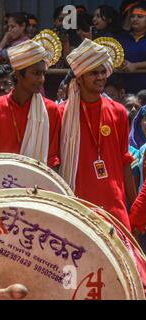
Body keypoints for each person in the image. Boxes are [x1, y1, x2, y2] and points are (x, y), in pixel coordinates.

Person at [60, 37, 136, 230]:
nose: (101, 77)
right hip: (78, 206)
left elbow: (125, 160)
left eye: (103, 72)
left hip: (115, 207)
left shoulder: (118, 111)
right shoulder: (62, 114)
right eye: (94, 73)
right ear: (80, 77)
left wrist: (133, 208)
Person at [0, 29, 62, 168]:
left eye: (43, 73)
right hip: (1, 182)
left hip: (37, 184)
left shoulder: (51, 109)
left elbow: (51, 158)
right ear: (18, 74)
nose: (41, 79)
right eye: (36, 73)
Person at [117, 2, 146, 94]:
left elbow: (133, 67)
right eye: (132, 16)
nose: (135, 19)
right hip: (125, 90)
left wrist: (135, 66)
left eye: (140, 17)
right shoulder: (122, 38)